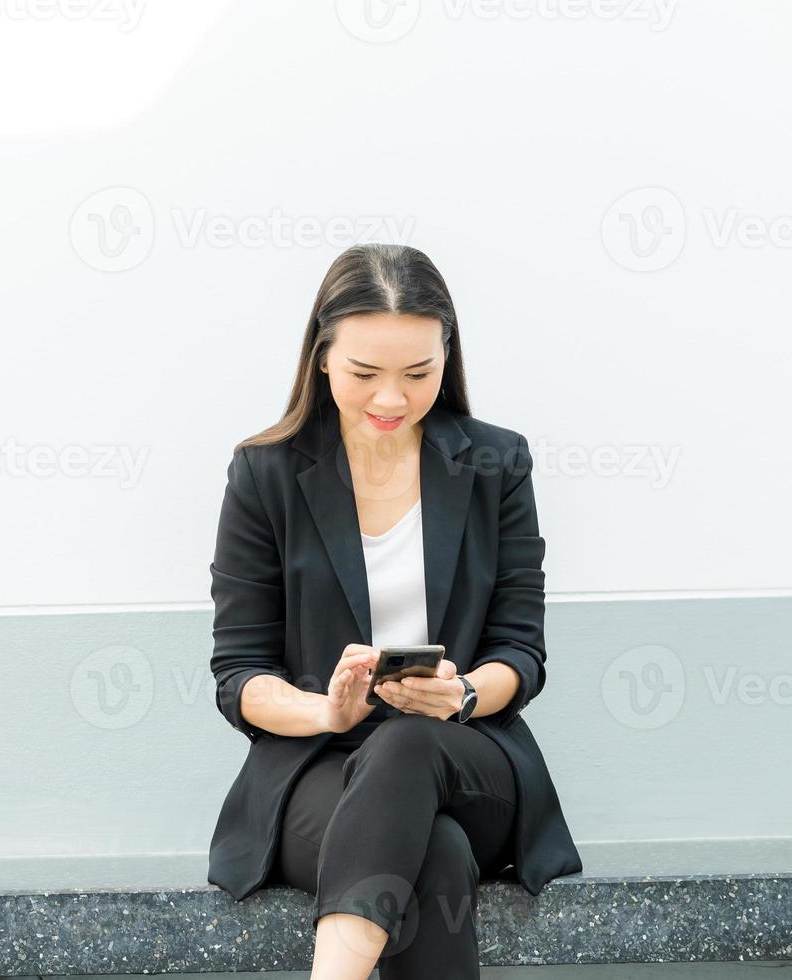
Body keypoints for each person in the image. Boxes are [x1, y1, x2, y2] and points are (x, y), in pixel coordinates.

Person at [206, 243, 582, 980]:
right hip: (319, 765)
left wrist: (463, 693)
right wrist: (327, 712)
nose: (390, 399)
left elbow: (520, 652)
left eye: (417, 374)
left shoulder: (494, 465)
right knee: (433, 854)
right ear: (320, 358)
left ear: (447, 356)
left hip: (463, 753)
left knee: (409, 744)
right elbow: (238, 674)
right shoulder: (266, 473)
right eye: (364, 374)